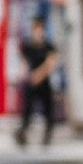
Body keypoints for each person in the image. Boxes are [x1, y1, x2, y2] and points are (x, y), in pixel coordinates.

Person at [15, 15, 59, 146]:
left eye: (40, 28)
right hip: (31, 81)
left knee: (47, 109)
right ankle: (23, 131)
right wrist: (22, 76)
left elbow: (50, 63)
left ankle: (48, 133)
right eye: (35, 28)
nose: (38, 32)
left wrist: (38, 75)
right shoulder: (28, 46)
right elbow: (23, 63)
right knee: (27, 108)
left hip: (44, 82)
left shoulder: (48, 47)